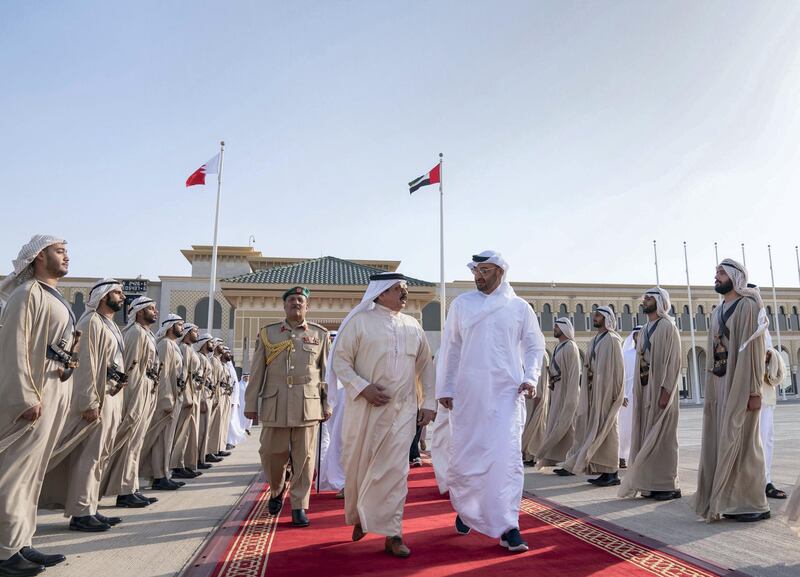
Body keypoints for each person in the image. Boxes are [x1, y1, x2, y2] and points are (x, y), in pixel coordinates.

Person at [437, 251, 545, 554]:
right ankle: (469, 508)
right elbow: (451, 347)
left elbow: (535, 346)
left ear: (500, 271)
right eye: (476, 271)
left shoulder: (519, 308)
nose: (478, 276)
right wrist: (445, 386)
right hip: (469, 393)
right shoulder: (461, 305)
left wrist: (531, 377)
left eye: (485, 270)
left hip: (506, 393)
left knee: (505, 458)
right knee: (469, 455)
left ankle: (508, 525)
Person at [332, 273, 436, 557]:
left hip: (402, 411)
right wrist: (363, 388)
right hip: (365, 410)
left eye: (405, 289)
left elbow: (426, 366)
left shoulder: (413, 326)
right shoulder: (359, 323)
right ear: (379, 293)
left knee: (396, 473)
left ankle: (393, 533)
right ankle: (362, 517)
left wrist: (429, 403)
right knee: (360, 466)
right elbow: (340, 361)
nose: (404, 294)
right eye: (398, 289)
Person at [0, 235, 71, 575]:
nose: (66, 256)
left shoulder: (49, 296)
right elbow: (15, 347)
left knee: (33, 474)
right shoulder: (27, 294)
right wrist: (25, 396)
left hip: (53, 391)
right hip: (33, 395)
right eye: (60, 251)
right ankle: (4, 552)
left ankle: (21, 542)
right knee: (15, 474)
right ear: (40, 257)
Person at [40, 279, 126, 532]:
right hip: (96, 398)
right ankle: (80, 512)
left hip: (111, 395)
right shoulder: (91, 323)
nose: (122, 297)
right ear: (102, 296)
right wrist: (89, 401)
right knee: (88, 457)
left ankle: (91, 506)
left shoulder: (109, 325)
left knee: (100, 455)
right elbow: (86, 365)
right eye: (117, 293)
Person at [245, 287, 331, 528]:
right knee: (272, 454)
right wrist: (251, 404)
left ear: (307, 306)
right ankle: (276, 488)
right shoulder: (268, 333)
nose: (296, 303)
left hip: (308, 405)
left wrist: (327, 403)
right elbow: (257, 372)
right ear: (284, 306)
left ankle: (299, 506)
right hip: (275, 403)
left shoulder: (319, 334)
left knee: (305, 458)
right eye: (291, 300)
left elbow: (326, 374)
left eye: (300, 300)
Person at [694, 259, 770, 522]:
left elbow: (755, 350)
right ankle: (726, 500)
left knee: (745, 442)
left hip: (741, 384)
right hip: (719, 385)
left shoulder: (748, 306)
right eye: (716, 272)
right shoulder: (717, 311)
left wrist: (754, 390)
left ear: (736, 277)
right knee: (722, 441)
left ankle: (753, 503)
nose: (716, 276)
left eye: (721, 272)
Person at [619, 288, 682, 501]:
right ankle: (650, 483)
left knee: (663, 439)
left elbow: (673, 362)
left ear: (660, 302)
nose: (644, 301)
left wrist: (666, 390)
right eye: (644, 298)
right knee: (647, 437)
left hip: (661, 393)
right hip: (645, 393)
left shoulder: (667, 327)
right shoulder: (646, 328)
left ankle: (667, 484)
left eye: (649, 298)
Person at [101, 296, 160, 508]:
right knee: (128, 443)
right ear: (139, 312)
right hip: (137, 392)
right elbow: (131, 368)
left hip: (146, 390)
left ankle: (131, 487)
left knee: (136, 443)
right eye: (151, 308)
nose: (155, 311)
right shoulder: (135, 332)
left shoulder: (147, 333)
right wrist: (134, 399)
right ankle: (124, 491)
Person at [561, 306, 624, 487]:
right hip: (593, 392)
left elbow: (618, 369)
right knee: (596, 430)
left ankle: (613, 471)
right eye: (594, 316)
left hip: (607, 393)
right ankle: (603, 470)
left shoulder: (612, 340)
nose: (594, 318)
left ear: (606, 318)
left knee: (609, 430)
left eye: (597, 316)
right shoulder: (596, 339)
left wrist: (617, 393)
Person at [140, 314, 186, 490]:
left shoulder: (173, 345)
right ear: (170, 327)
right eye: (179, 325)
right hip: (167, 398)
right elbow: (164, 373)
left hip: (175, 395)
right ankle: (159, 476)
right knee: (161, 439)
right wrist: (166, 398)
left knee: (167, 439)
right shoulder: (165, 344)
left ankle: (164, 473)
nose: (181, 328)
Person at [539, 318, 581, 472]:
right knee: (557, 423)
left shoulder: (571, 347)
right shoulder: (559, 347)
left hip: (567, 392)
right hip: (557, 391)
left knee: (568, 426)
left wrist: (570, 397)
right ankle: (558, 458)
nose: (554, 328)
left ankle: (569, 462)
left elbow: (574, 374)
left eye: (556, 326)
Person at [762, 338, 787, 500]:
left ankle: (765, 480)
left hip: (763, 391)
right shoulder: (748, 314)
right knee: (761, 440)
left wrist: (770, 354)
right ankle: (761, 481)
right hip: (755, 391)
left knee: (766, 439)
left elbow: (766, 347)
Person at [618, 326, 641, 469]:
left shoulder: (648, 355)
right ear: (633, 337)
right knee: (625, 428)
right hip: (629, 397)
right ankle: (622, 456)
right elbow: (621, 377)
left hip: (644, 396)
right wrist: (624, 394)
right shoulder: (626, 355)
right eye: (637, 335)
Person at [522, 352, 550, 466]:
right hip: (529, 399)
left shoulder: (541, 356)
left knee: (536, 429)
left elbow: (541, 380)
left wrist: (539, 398)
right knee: (529, 427)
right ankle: (528, 455)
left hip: (536, 398)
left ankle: (534, 456)